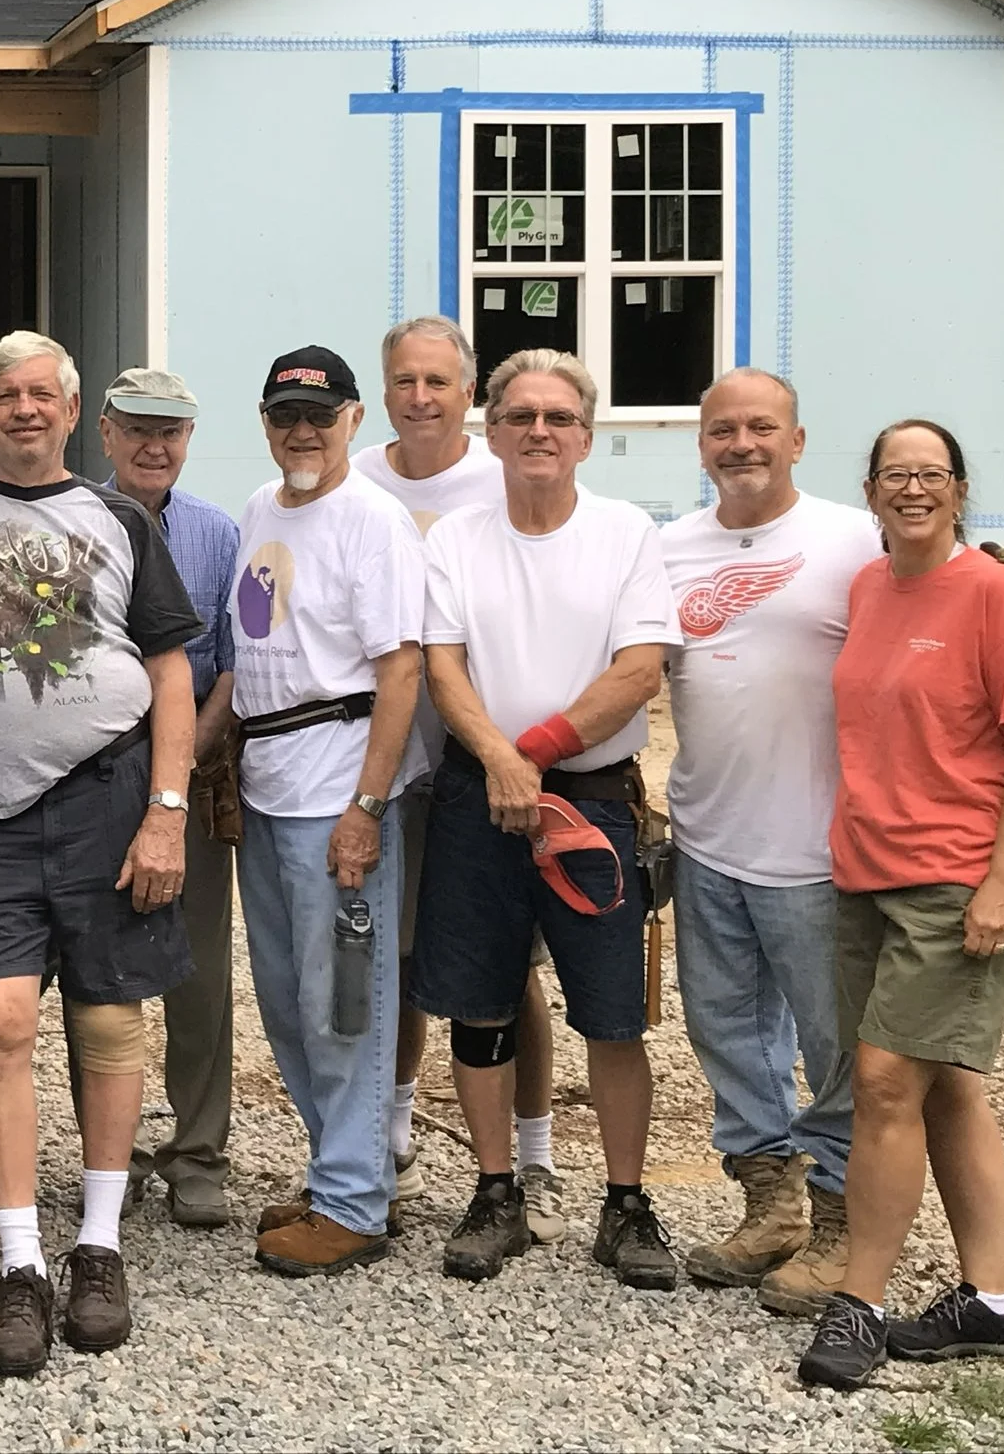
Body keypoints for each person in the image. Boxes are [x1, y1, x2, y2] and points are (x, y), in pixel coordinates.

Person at [0, 331, 201, 1378]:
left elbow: (173, 673)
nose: (22, 409)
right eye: (4, 394)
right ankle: (19, 1261)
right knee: (1, 1016)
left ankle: (96, 1246)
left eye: (40, 395)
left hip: (109, 796)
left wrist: (167, 810)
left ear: (68, 413)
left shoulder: (120, 518)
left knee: (107, 1017)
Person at [412, 348, 685, 1289]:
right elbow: (443, 669)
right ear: (490, 430)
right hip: (476, 798)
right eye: (520, 414)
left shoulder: (625, 535)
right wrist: (499, 761)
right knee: (481, 1005)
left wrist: (530, 754)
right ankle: (496, 1192)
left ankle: (625, 1202)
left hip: (592, 803)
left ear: (585, 435)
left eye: (559, 417)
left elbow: (639, 670)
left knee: (613, 1015)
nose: (539, 430)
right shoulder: (454, 539)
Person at [797, 420, 1004, 1391]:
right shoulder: (868, 588)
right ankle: (988, 1302)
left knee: (882, 1085)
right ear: (869, 492)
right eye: (894, 475)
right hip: (866, 874)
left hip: (951, 880)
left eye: (930, 474)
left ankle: (856, 1305)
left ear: (957, 490)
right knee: (946, 1083)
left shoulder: (991, 594)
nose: (912, 489)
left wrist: (1001, 882)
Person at [661, 370, 879, 1313]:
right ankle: (770, 1203)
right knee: (726, 1030)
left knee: (835, 1043)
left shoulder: (852, 539)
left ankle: (839, 1217)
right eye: (722, 429)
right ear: (701, 444)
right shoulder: (668, 548)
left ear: (797, 439)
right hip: (706, 831)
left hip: (822, 845)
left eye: (761, 426)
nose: (740, 442)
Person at [356, 316, 564, 1232]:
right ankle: (391, 1138)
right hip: (391, 762)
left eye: (439, 381)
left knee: (509, 963)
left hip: (493, 762)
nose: (421, 397)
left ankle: (535, 1150)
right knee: (396, 959)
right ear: (386, 388)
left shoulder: (502, 475)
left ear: (469, 392)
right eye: (405, 380)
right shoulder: (356, 478)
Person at [227, 346, 426, 1276]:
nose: (300, 431)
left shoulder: (373, 521)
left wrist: (367, 805)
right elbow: (255, 653)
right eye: (283, 415)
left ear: (351, 418)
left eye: (319, 414)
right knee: (284, 1001)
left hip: (335, 789)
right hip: (268, 785)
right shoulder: (263, 510)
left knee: (345, 999)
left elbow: (400, 673)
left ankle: (355, 1201)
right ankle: (335, 1169)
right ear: (265, 422)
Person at [90, 367, 239, 1230]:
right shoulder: (70, 518)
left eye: (171, 431)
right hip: (90, 782)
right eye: (138, 428)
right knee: (98, 981)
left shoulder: (220, 533)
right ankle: (103, 1154)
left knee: (197, 976)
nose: (155, 445)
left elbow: (231, 660)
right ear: (104, 433)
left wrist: (191, 757)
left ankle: (198, 1153)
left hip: (188, 781)